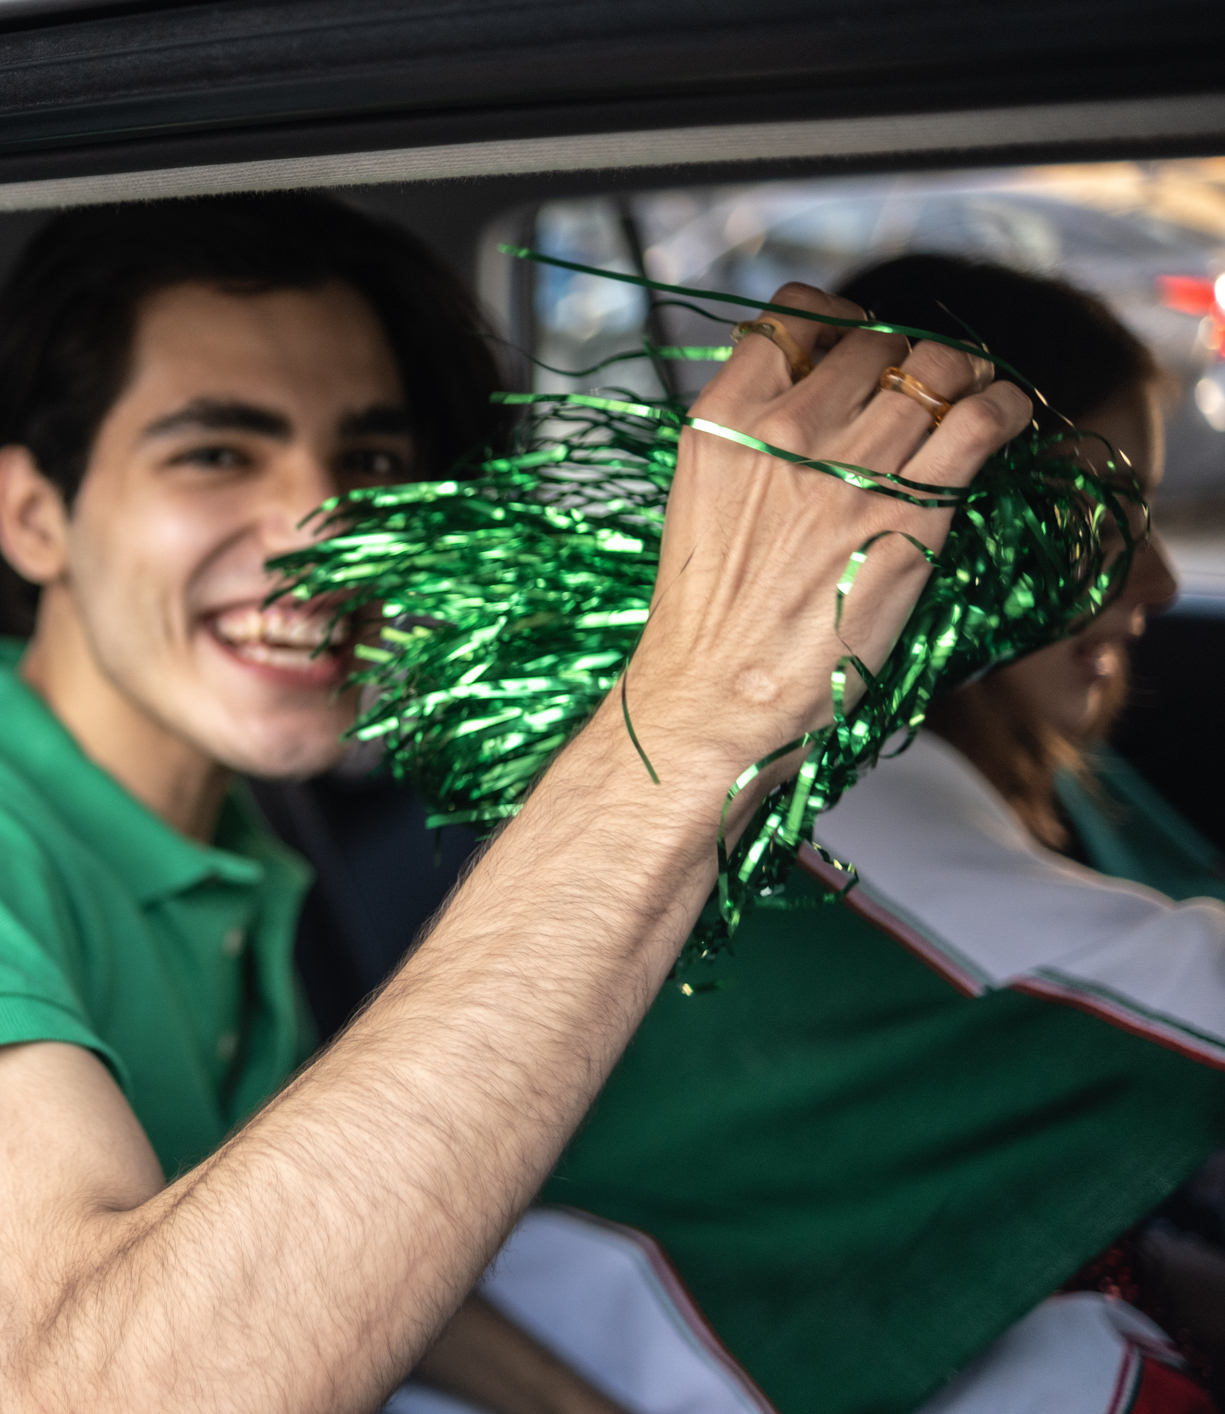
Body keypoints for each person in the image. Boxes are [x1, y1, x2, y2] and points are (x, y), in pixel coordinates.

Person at [0, 193, 1030, 1414]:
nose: (327, 536)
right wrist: (694, 710)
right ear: (36, 517)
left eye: (371, 460)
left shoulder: (221, 829)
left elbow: (298, 1242)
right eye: (216, 453)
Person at [456, 255, 1225, 1414]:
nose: (1157, 581)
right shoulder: (835, 802)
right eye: (1094, 526)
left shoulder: (1005, 781)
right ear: (941, 537)